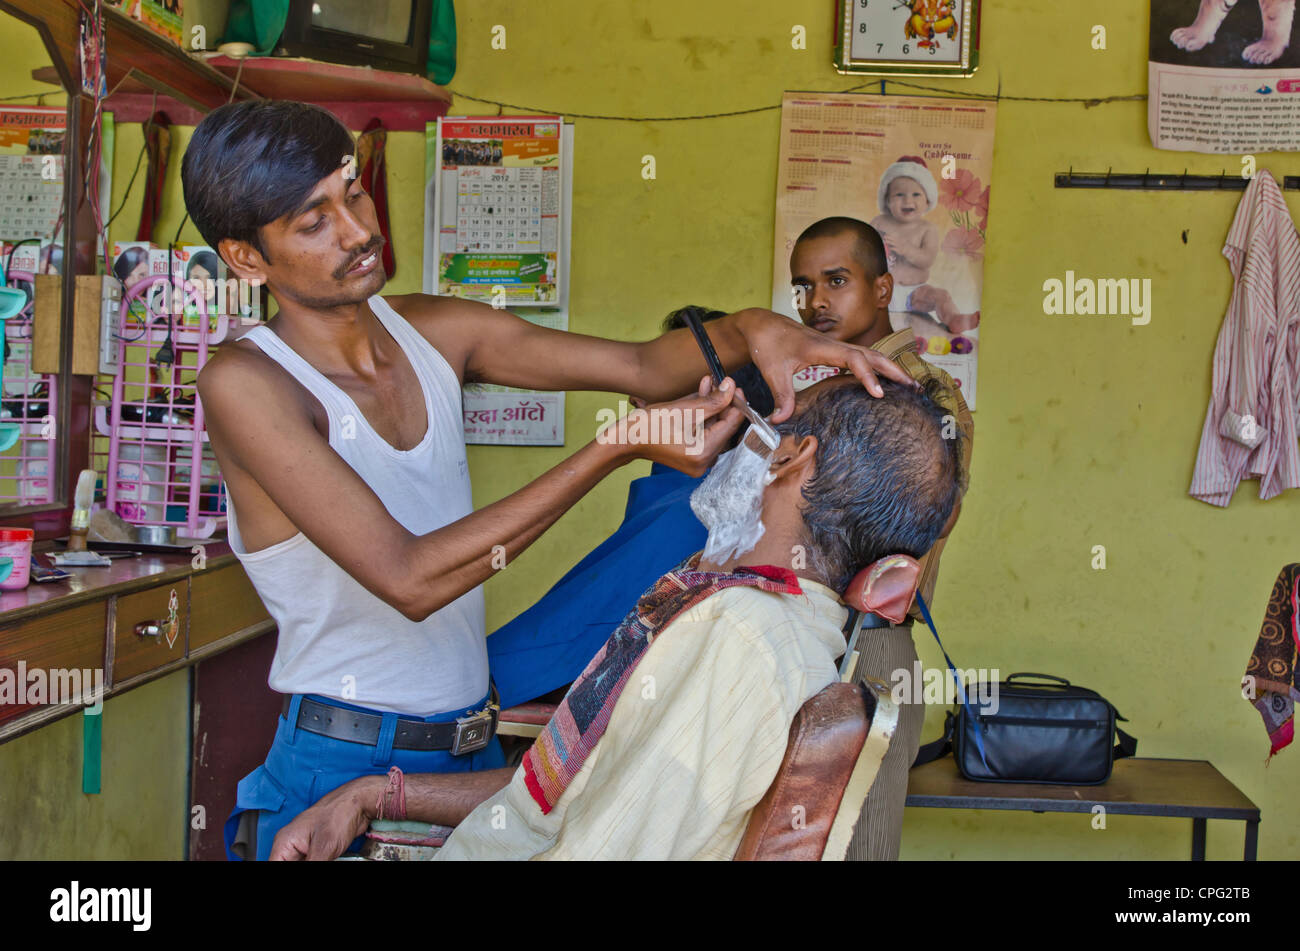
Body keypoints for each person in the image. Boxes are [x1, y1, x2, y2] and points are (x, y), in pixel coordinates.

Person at [180, 100, 914, 860]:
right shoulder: (247, 383)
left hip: (465, 750)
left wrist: (754, 329)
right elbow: (407, 577)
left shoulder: (431, 330)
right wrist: (613, 448)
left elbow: (640, 366)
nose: (358, 231)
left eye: (354, 195)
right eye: (314, 222)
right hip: (338, 760)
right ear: (246, 258)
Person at [269, 374, 964, 860]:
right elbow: (572, 793)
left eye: (763, 431)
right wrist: (374, 795)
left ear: (791, 455)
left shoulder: (738, 634)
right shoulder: (779, 624)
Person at [789, 214, 972, 859]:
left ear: (883, 287)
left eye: (836, 280)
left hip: (866, 644)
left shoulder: (921, 394)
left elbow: (932, 519)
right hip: (794, 631)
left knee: (859, 846)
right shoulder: (815, 389)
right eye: (803, 286)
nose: (816, 301)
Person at [487, 305, 773, 710]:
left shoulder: (698, 514)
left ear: (721, 400)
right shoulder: (672, 490)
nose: (634, 395)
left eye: (665, 373)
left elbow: (571, 653)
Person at [869, 156, 980, 335]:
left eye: (916, 194)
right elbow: (864, 248)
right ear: (887, 200)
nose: (907, 201)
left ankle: (953, 318)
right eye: (899, 195)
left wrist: (906, 249)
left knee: (940, 296)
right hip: (881, 289)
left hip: (914, 293)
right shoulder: (879, 222)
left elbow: (927, 260)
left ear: (927, 201)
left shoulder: (927, 229)